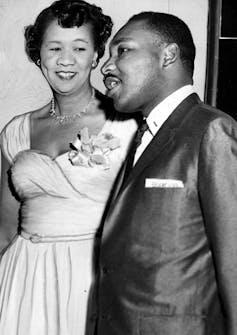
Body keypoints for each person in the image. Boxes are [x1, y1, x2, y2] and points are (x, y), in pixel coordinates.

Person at [0, 1, 138, 334]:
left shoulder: (127, 123)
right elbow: (4, 229)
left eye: (79, 48)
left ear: (95, 56)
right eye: (54, 47)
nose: (66, 60)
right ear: (39, 55)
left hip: (93, 280)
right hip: (24, 277)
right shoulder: (15, 130)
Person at [96, 11, 237, 335]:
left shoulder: (212, 130)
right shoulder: (145, 136)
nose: (106, 66)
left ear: (168, 55)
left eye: (123, 50)